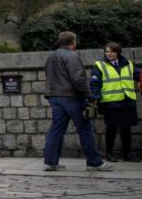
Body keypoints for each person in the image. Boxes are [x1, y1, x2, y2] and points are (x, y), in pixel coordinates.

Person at [43, 31, 112, 172]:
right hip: (71, 97)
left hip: (54, 97)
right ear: (73, 42)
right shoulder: (72, 56)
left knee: (56, 130)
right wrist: (90, 95)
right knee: (86, 129)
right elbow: (78, 79)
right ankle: (94, 162)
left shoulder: (51, 56)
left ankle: (51, 162)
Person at [90, 42, 141, 162]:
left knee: (126, 129)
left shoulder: (128, 64)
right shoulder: (99, 65)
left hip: (127, 100)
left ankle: (127, 154)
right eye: (107, 51)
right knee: (111, 128)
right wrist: (95, 98)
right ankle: (109, 154)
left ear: (118, 52)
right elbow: (95, 83)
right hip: (110, 102)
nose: (109, 54)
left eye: (112, 51)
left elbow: (139, 77)